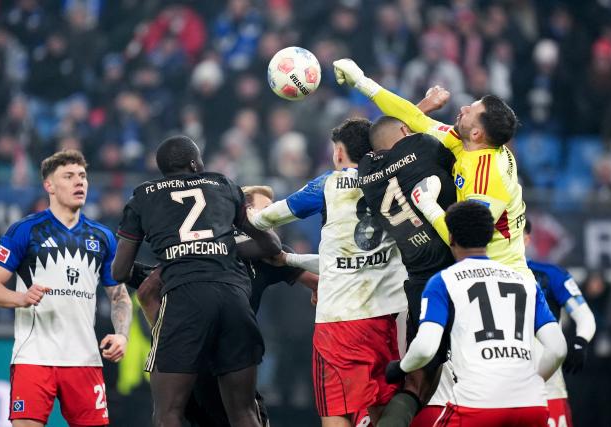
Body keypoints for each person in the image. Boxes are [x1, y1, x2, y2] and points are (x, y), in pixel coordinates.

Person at [110, 135, 281, 427]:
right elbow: (271, 246)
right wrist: (219, 249)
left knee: (168, 412)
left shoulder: (142, 197)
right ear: (194, 163)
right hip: (234, 299)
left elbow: (120, 271)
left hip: (184, 298)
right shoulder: (224, 184)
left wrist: (180, 260)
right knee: (243, 411)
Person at [249, 118, 407, 426]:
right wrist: (290, 261)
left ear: (338, 153)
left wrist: (248, 213)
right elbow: (340, 260)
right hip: (386, 316)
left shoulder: (329, 184)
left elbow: (265, 220)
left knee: (335, 410)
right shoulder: (394, 182)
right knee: (379, 407)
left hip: (339, 321)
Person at [132, 184, 319, 427]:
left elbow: (317, 281)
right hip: (210, 363)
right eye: (266, 208)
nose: (274, 216)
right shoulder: (208, 247)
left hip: (220, 359)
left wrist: (320, 291)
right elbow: (147, 293)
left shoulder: (270, 254)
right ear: (244, 212)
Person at [333, 59, 531, 279]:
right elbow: (414, 118)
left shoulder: (487, 176)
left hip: (502, 276)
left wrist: (428, 206)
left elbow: (466, 239)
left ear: (477, 134)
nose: (463, 108)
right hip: (479, 273)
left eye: (470, 111)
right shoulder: (465, 142)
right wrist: (361, 82)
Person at [0, 149, 132, 427]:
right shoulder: (25, 231)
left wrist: (122, 335)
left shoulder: (103, 237)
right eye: (69, 176)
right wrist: (20, 298)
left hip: (85, 360)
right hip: (34, 357)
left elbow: (119, 295)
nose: (79, 182)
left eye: (83, 176)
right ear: (49, 185)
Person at [385, 201, 567, 426]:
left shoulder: (443, 282)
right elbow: (558, 348)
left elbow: (425, 347)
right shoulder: (525, 282)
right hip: (532, 406)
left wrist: (401, 367)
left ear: (450, 237)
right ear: (490, 237)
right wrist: (532, 381)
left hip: (476, 406)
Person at [357, 115, 457, 426]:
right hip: (456, 271)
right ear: (405, 131)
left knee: (416, 385)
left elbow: (376, 154)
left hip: (418, 282)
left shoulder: (368, 177)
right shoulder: (423, 147)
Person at [525, 219, 596, 427]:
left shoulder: (550, 275)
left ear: (527, 238)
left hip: (548, 388)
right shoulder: (481, 275)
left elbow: (585, 316)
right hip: (497, 389)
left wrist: (580, 341)